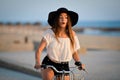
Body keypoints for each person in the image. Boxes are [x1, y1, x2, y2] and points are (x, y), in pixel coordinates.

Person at [34, 7, 85, 80]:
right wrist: (37, 62)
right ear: (57, 19)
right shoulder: (50, 33)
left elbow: (74, 52)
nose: (63, 19)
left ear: (68, 20)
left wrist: (78, 62)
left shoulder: (72, 34)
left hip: (65, 65)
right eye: (60, 17)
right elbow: (39, 50)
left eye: (66, 17)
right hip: (50, 63)